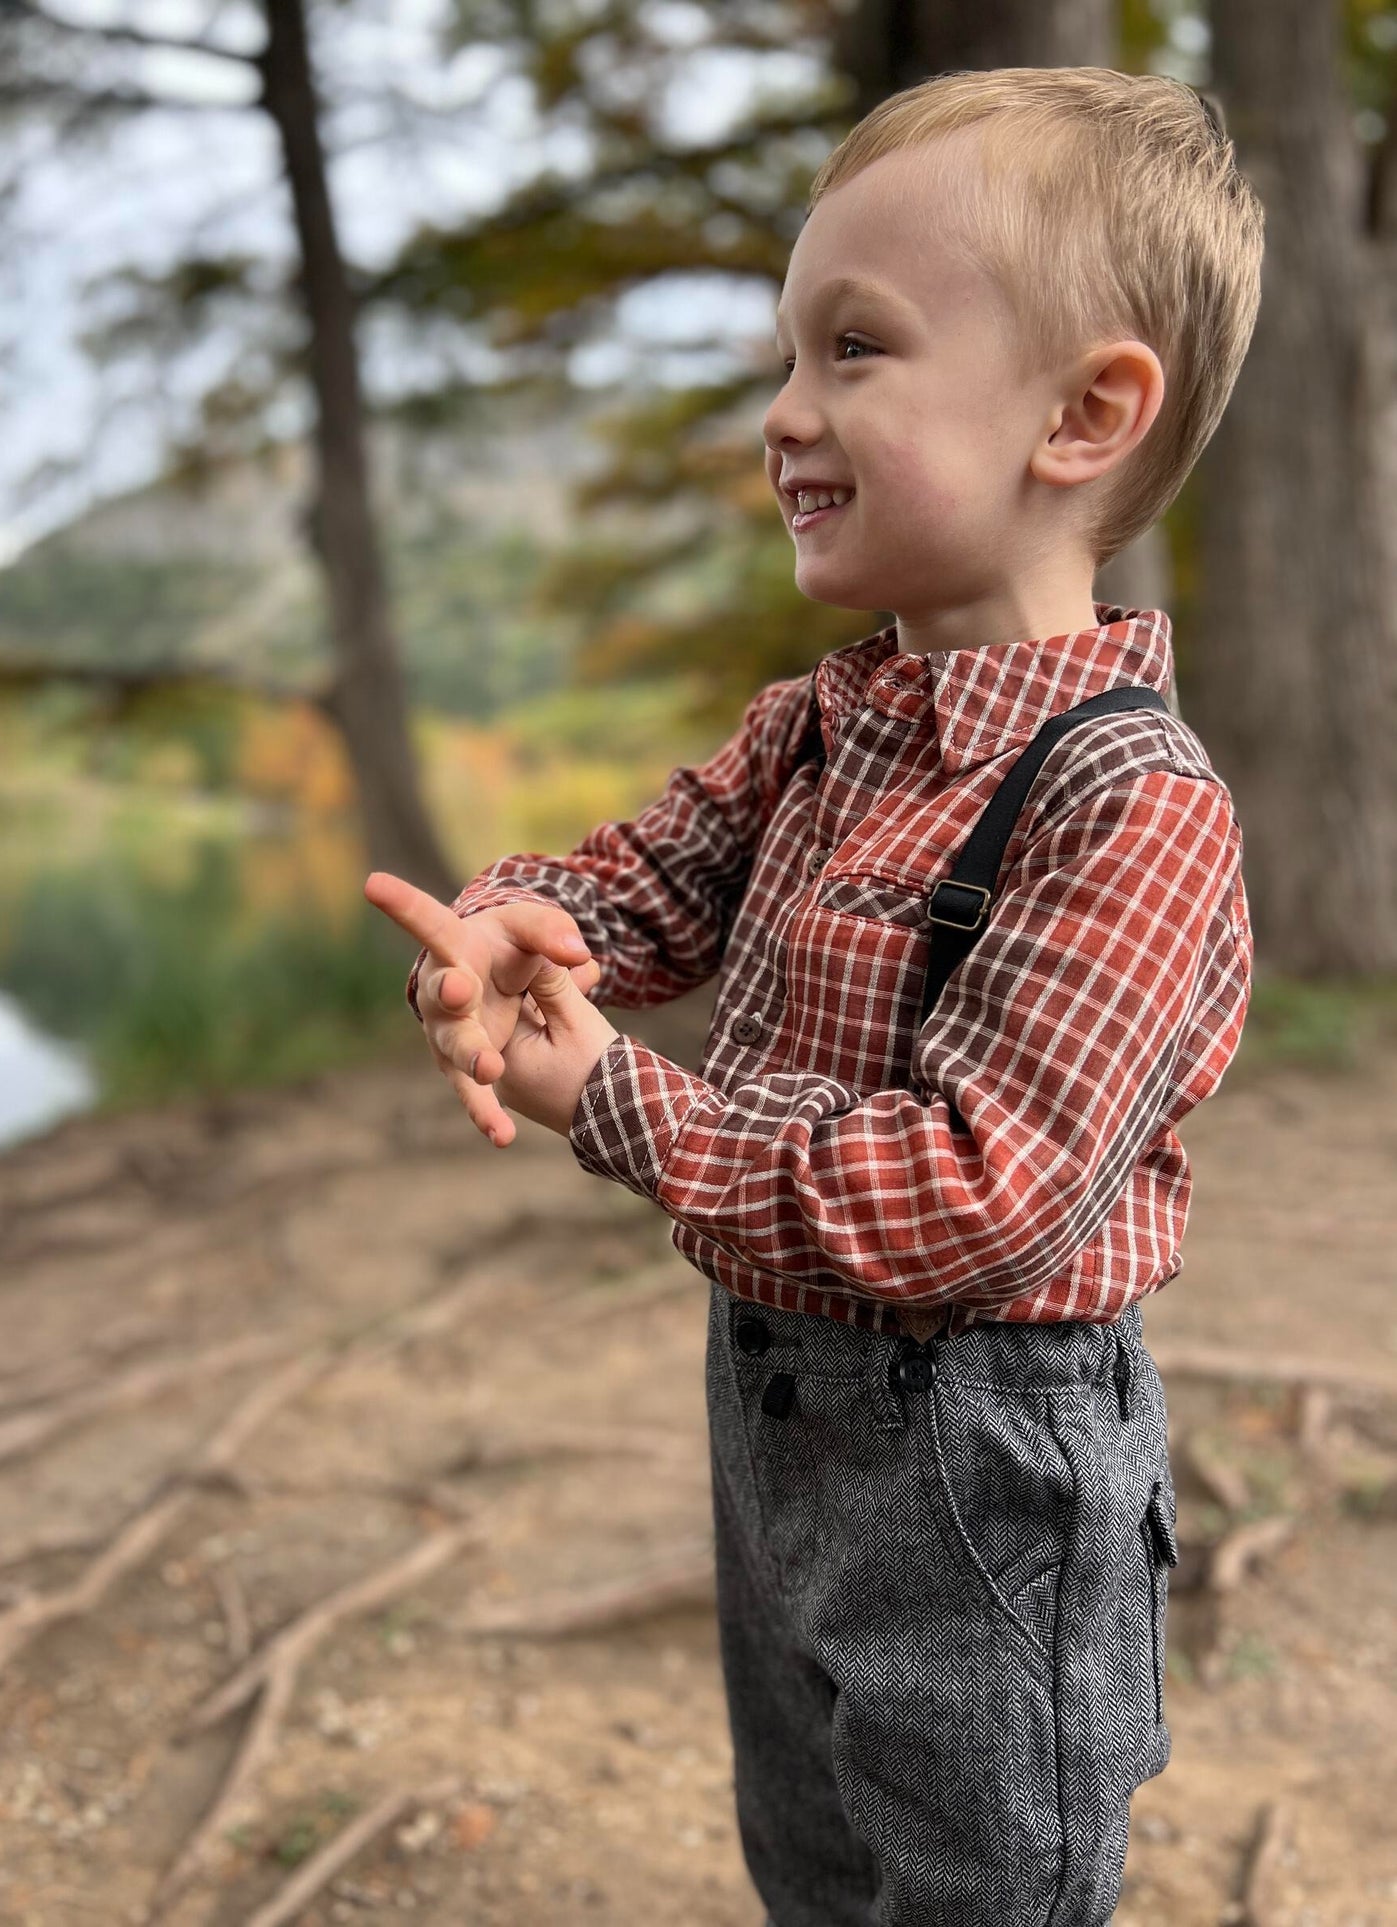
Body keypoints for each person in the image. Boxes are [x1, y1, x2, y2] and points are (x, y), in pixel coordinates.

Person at [366, 64, 1261, 1927]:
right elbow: (650, 875)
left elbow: (973, 1194)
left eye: (854, 349)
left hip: (985, 1458)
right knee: (815, 1841)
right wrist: (512, 925)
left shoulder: (1132, 805)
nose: (783, 412)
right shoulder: (822, 720)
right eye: (787, 353)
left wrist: (620, 1099)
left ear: (1084, 416)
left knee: (980, 1865)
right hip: (772, 1408)